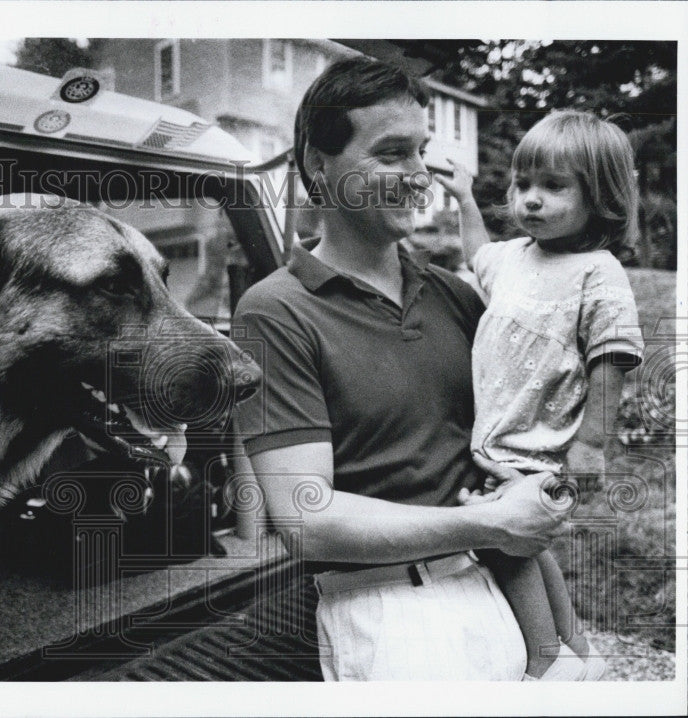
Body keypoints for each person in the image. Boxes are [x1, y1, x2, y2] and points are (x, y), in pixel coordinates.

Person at [232, 56, 570, 681]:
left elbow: (515, 437)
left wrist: (540, 492)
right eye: (391, 154)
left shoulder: (457, 297)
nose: (419, 176)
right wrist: (492, 521)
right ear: (317, 167)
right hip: (391, 618)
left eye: (422, 151)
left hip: (499, 588)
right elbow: (308, 519)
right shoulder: (275, 311)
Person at [435, 110, 644, 679]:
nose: (530, 199)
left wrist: (592, 444)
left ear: (597, 196)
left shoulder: (596, 270)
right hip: (499, 439)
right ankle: (581, 650)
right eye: (523, 184)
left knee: (506, 543)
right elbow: (477, 254)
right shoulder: (513, 258)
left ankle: (546, 659)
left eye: (554, 186)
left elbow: (614, 353)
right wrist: (464, 201)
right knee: (528, 544)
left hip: (540, 443)